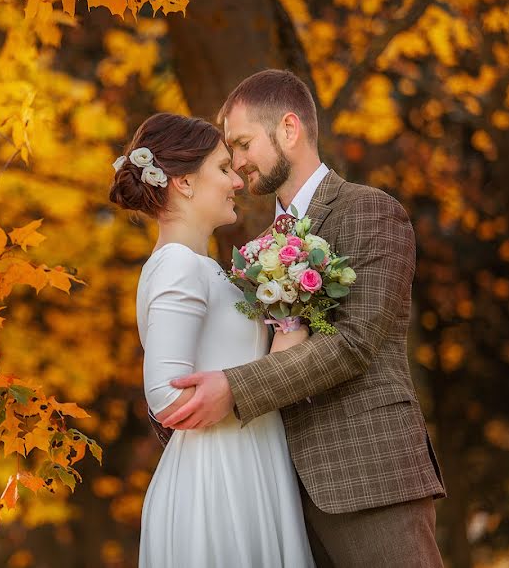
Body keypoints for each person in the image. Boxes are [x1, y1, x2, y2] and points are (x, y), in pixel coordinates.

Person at [158, 70, 447, 566]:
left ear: (289, 129)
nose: (237, 162)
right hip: (277, 497)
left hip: (369, 480)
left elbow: (353, 343)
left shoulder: (370, 211)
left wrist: (233, 389)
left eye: (243, 144)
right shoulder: (254, 248)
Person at [110, 112, 315, 567]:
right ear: (183, 183)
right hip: (217, 478)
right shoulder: (178, 266)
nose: (237, 181)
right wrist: (238, 388)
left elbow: (244, 364)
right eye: (223, 169)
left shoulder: (204, 268)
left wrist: (288, 325)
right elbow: (165, 396)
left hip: (247, 458)